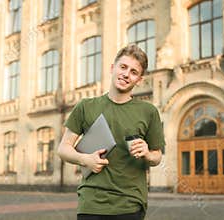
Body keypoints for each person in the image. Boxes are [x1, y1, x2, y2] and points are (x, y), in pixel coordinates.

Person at [57, 44, 165, 220]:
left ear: (139, 80)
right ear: (112, 68)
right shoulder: (85, 106)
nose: (126, 74)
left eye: (133, 72)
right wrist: (85, 159)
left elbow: (157, 157)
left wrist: (147, 153)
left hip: (130, 204)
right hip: (91, 204)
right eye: (123, 67)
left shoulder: (148, 111)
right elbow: (63, 148)